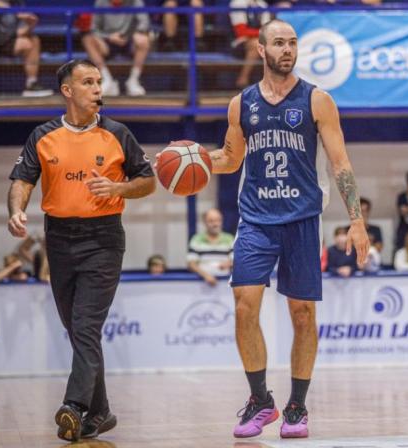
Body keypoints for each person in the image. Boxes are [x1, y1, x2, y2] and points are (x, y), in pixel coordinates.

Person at [163, 18, 369, 439]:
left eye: (292, 42)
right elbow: (231, 159)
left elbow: (340, 163)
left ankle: (297, 406)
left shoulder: (317, 100)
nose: (287, 49)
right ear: (260, 50)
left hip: (302, 218)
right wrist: (195, 163)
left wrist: (356, 220)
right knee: (243, 306)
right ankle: (260, 399)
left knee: (303, 314)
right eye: (279, 43)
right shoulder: (241, 104)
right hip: (256, 217)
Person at [7, 59, 155, 442]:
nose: (97, 89)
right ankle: (101, 412)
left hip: (103, 238)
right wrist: (16, 210)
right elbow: (22, 179)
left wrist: (119, 189)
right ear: (67, 91)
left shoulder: (118, 133)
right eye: (87, 82)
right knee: (77, 330)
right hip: (58, 238)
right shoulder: (43, 135)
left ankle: (73, 406)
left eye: (98, 82)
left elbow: (147, 181)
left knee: (86, 326)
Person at [0, 0, 53, 98]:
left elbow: (19, 33)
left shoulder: (18, 3)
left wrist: (31, 25)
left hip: (5, 43)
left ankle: (31, 84)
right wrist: (12, 10)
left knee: (32, 41)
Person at [82, 0, 151, 97]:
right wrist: (109, 36)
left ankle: (133, 80)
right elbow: (94, 29)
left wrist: (129, 35)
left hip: (129, 40)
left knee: (143, 39)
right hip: (107, 42)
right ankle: (107, 79)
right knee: (88, 39)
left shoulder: (135, 2)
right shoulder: (100, 2)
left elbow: (144, 23)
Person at [187, 208, 235, 286]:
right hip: (201, 283)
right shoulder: (196, 239)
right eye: (211, 221)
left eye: (218, 220)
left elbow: (236, 261)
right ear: (204, 222)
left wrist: (229, 263)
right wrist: (206, 275)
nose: (215, 224)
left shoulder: (229, 239)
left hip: (225, 284)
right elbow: (191, 263)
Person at [229, 0, 271, 89]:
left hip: (261, 42)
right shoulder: (237, 3)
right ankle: (243, 79)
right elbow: (241, 31)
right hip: (239, 42)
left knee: (272, 46)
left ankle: (273, 83)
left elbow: (267, 30)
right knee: (256, 44)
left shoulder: (262, 5)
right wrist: (261, 33)